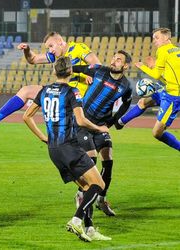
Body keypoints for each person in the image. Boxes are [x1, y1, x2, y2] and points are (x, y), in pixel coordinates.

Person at [23, 56, 111, 242]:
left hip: (53, 150)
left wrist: (42, 137)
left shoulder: (44, 91)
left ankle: (89, 229)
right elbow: (80, 120)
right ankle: (76, 220)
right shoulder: (73, 91)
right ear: (70, 72)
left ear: (54, 71)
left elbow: (26, 117)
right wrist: (99, 128)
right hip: (70, 147)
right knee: (99, 185)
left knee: (87, 188)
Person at [0, 31, 100, 130]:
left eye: (51, 46)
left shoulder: (78, 48)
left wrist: (86, 74)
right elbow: (33, 59)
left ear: (60, 41)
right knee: (25, 91)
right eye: (48, 48)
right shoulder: (55, 56)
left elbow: (97, 65)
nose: (50, 50)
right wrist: (27, 50)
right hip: (61, 92)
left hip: (76, 95)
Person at [72, 50, 133, 216]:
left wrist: (113, 121)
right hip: (84, 122)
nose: (113, 61)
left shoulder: (126, 86)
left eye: (118, 59)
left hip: (101, 126)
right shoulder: (98, 69)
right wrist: (80, 77)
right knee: (91, 160)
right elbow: (73, 68)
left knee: (108, 163)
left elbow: (126, 104)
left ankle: (101, 199)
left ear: (125, 65)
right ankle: (81, 193)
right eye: (114, 57)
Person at [117, 28, 180, 151]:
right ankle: (120, 122)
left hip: (173, 96)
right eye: (153, 38)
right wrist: (153, 66)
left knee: (157, 133)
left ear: (166, 38)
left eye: (157, 37)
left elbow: (156, 75)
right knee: (143, 102)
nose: (154, 41)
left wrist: (144, 67)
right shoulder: (176, 50)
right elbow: (171, 77)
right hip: (168, 89)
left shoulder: (162, 50)